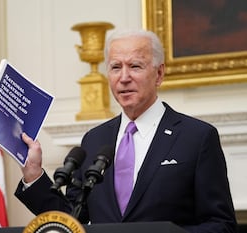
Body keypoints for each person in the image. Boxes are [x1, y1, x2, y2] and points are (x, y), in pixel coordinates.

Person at [15, 29, 237, 233]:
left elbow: (221, 225)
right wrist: (34, 175)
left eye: (135, 66)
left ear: (159, 74)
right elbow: (73, 221)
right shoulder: (94, 140)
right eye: (115, 67)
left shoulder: (196, 137)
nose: (123, 78)